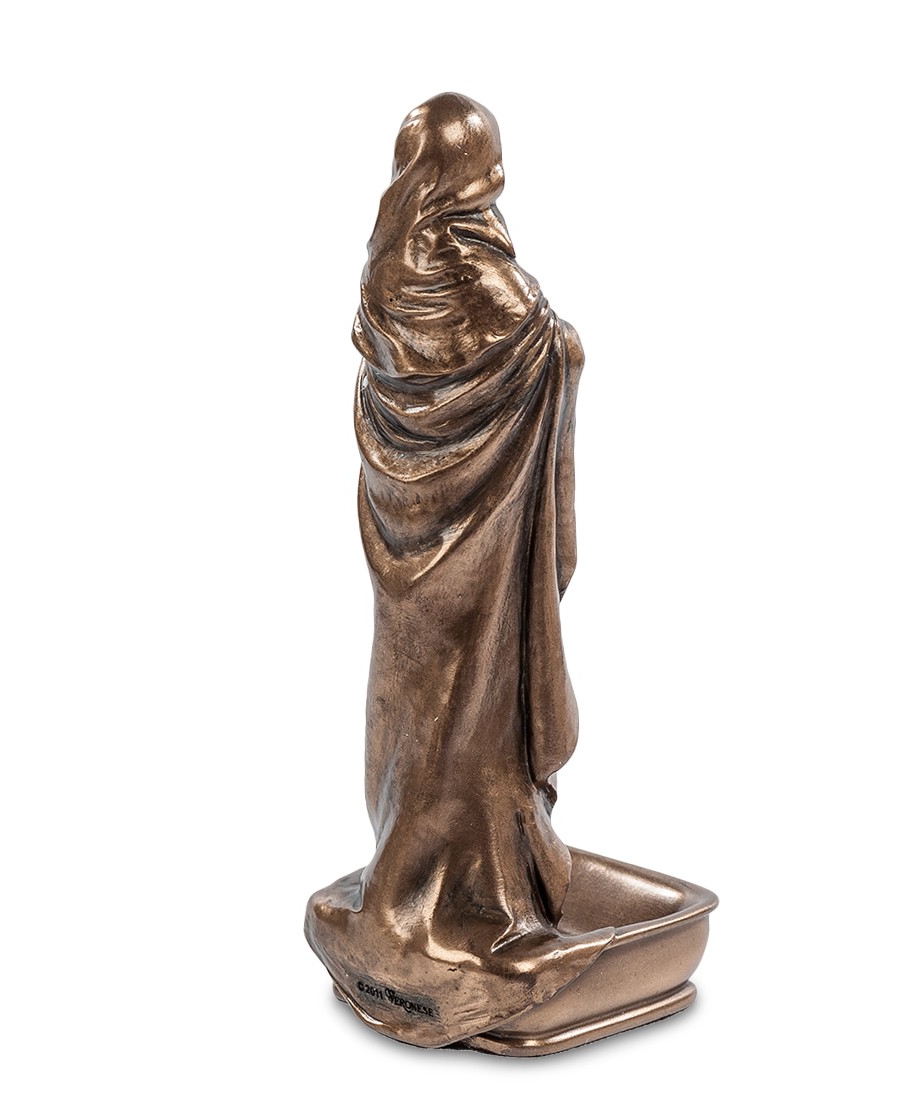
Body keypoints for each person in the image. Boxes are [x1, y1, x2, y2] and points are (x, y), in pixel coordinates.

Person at [306, 93, 612, 1048]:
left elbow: (403, 384)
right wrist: (561, 350)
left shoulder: (382, 282)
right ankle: (467, 903)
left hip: (407, 557)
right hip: (479, 564)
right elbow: (546, 344)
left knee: (413, 707)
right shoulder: (492, 291)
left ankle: (399, 888)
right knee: (474, 700)